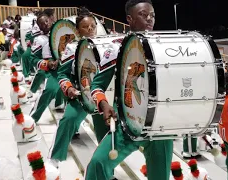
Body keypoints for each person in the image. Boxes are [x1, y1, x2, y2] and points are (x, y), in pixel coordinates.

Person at [85, 0, 173, 179]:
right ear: (129, 19)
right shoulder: (116, 47)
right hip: (126, 122)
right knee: (98, 164)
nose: (149, 19)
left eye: (152, 15)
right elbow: (96, 85)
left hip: (159, 126)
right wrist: (103, 103)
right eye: (143, 15)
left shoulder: (165, 46)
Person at [47, 7, 109, 173]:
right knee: (68, 121)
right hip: (81, 96)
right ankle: (53, 159)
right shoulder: (72, 48)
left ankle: (105, 172)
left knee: (107, 137)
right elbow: (62, 74)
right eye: (85, 27)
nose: (90, 30)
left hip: (102, 100)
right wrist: (69, 90)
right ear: (78, 30)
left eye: (93, 26)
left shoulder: (107, 45)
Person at [29, 12, 65, 123]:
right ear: (39, 27)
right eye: (42, 23)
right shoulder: (39, 39)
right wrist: (48, 64)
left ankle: (71, 125)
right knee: (49, 90)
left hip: (66, 65)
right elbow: (33, 59)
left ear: (50, 20)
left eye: (46, 21)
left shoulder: (62, 32)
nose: (45, 24)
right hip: (52, 69)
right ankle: (32, 119)